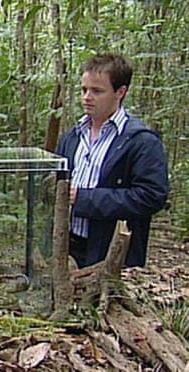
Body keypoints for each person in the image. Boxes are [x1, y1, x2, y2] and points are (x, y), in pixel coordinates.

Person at [56, 53, 169, 268]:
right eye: (84, 90)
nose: (87, 97)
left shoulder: (141, 141)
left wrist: (84, 198)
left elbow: (152, 196)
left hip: (110, 253)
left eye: (97, 91)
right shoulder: (71, 137)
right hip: (67, 248)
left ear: (120, 92)